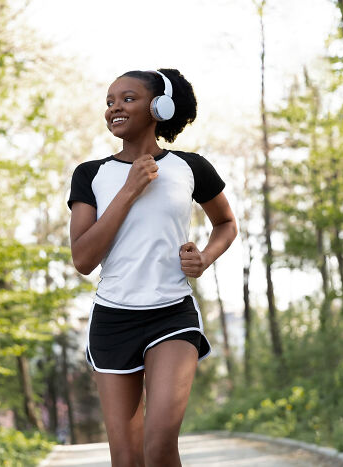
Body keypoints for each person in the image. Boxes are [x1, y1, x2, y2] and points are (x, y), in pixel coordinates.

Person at [67, 68, 237, 467]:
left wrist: (205, 257)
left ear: (159, 106)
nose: (114, 109)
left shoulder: (190, 167)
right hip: (112, 320)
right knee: (126, 460)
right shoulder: (90, 175)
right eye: (109, 102)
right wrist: (129, 190)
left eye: (128, 99)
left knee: (159, 447)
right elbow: (83, 259)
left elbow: (226, 224)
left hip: (172, 313)